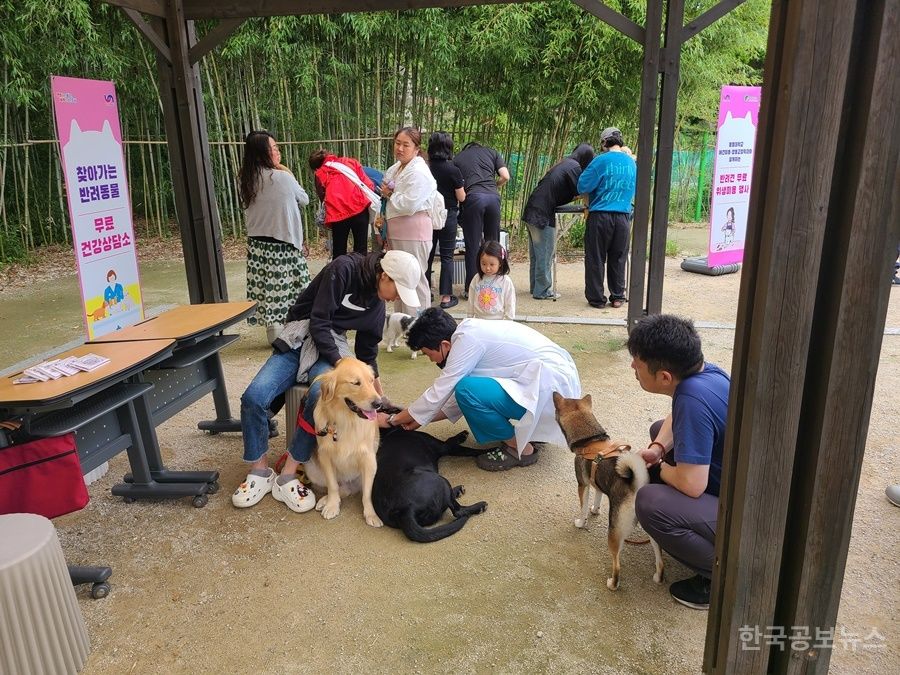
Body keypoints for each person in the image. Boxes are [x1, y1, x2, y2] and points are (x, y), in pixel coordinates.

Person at [232, 250, 422, 513]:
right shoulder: (344, 269)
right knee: (254, 396)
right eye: (398, 290)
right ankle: (259, 471)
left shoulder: (377, 306)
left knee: (321, 393)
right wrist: (340, 363)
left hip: (332, 345)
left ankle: (289, 473)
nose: (397, 298)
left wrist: (377, 392)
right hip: (300, 335)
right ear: (384, 275)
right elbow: (319, 321)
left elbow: (368, 354)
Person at [380, 308, 581, 472]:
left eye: (428, 353)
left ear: (444, 344)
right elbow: (452, 400)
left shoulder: (467, 341)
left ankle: (521, 450)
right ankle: (529, 434)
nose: (432, 360)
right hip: (553, 386)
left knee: (467, 391)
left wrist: (393, 420)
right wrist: (417, 418)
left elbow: (444, 391)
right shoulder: (467, 334)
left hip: (549, 388)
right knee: (467, 390)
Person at [628, 314, 730, 610]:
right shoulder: (706, 376)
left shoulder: (692, 400)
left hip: (749, 518)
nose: (633, 366)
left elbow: (691, 484)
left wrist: (659, 468)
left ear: (664, 377)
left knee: (650, 502)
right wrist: (658, 448)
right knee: (658, 429)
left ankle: (720, 575)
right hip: (745, 488)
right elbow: (676, 416)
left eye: (638, 362)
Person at [239, 130, 311, 344]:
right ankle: (294, 333)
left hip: (258, 245)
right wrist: (286, 171)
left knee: (269, 292)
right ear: (262, 153)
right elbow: (304, 199)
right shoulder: (281, 177)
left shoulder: (245, 178)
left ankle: (274, 336)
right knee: (297, 290)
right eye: (273, 149)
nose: (277, 152)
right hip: (284, 243)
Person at [521, 143, 595, 300]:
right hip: (541, 215)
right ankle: (542, 291)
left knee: (537, 254)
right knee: (545, 254)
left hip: (532, 210)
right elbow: (582, 190)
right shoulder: (574, 167)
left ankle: (536, 287)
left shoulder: (565, 164)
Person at [577, 127, 637, 310]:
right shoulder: (632, 163)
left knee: (595, 257)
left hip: (600, 216)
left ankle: (597, 299)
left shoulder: (600, 161)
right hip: (623, 217)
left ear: (604, 143)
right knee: (618, 257)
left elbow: (582, 185)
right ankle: (618, 296)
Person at [381, 127, 437, 314]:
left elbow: (409, 204)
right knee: (399, 277)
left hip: (414, 231)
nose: (400, 148)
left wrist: (390, 195)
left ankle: (420, 325)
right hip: (396, 230)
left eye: (406, 145)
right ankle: (402, 324)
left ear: (416, 148)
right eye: (397, 143)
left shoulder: (419, 171)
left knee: (415, 277)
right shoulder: (395, 168)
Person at [453, 141, 511, 291]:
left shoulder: (458, 158)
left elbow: (457, 186)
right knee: (493, 245)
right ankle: (496, 285)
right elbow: (505, 176)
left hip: (473, 199)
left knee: (473, 245)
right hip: (493, 198)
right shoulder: (492, 152)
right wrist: (494, 186)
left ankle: (471, 288)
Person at [308, 149, 377, 259]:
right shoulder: (350, 162)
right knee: (361, 250)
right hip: (360, 209)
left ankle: (340, 274)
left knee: (339, 252)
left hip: (338, 215)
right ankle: (359, 275)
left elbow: (323, 198)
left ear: (316, 167)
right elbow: (368, 184)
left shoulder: (320, 173)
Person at [425, 131, 466, 309]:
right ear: (448, 148)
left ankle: (425, 293)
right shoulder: (453, 169)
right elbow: (462, 197)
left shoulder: (424, 168)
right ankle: (446, 297)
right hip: (448, 215)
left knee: (426, 255)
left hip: (427, 216)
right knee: (447, 256)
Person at [467, 240, 515, 320]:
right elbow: (471, 299)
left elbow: (510, 302)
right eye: (484, 264)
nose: (488, 268)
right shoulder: (477, 278)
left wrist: (508, 321)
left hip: (498, 322)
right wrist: (469, 317)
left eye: (492, 264)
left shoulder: (505, 281)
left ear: (500, 263)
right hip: (479, 320)